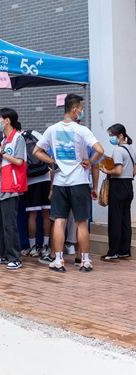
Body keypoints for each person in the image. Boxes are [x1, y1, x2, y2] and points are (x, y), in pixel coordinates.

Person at [32, 93, 104, 273]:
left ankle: (58, 261)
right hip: (79, 181)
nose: (82, 111)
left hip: (60, 182)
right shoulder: (82, 130)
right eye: (81, 107)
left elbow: (36, 151)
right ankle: (85, 261)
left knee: (59, 221)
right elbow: (100, 150)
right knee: (81, 222)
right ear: (75, 110)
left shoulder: (52, 129)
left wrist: (52, 162)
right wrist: (89, 161)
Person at [0, 109, 27, 270]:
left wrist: (1, 153)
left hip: (11, 185)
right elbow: (5, 159)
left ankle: (14, 256)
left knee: (9, 223)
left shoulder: (18, 138)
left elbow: (18, 161)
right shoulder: (4, 139)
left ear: (7, 120)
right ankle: (2, 253)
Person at [99, 123, 135, 262]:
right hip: (128, 186)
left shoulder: (119, 151)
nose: (111, 138)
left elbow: (118, 171)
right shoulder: (131, 150)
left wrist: (106, 171)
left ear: (120, 135)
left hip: (118, 186)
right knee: (125, 220)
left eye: (112, 135)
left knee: (115, 220)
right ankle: (125, 251)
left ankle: (113, 253)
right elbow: (133, 171)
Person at [21, 129, 53, 257]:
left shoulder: (18, 139)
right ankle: (45, 246)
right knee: (46, 213)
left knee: (32, 214)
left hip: (31, 179)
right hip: (45, 176)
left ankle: (32, 247)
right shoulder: (36, 134)